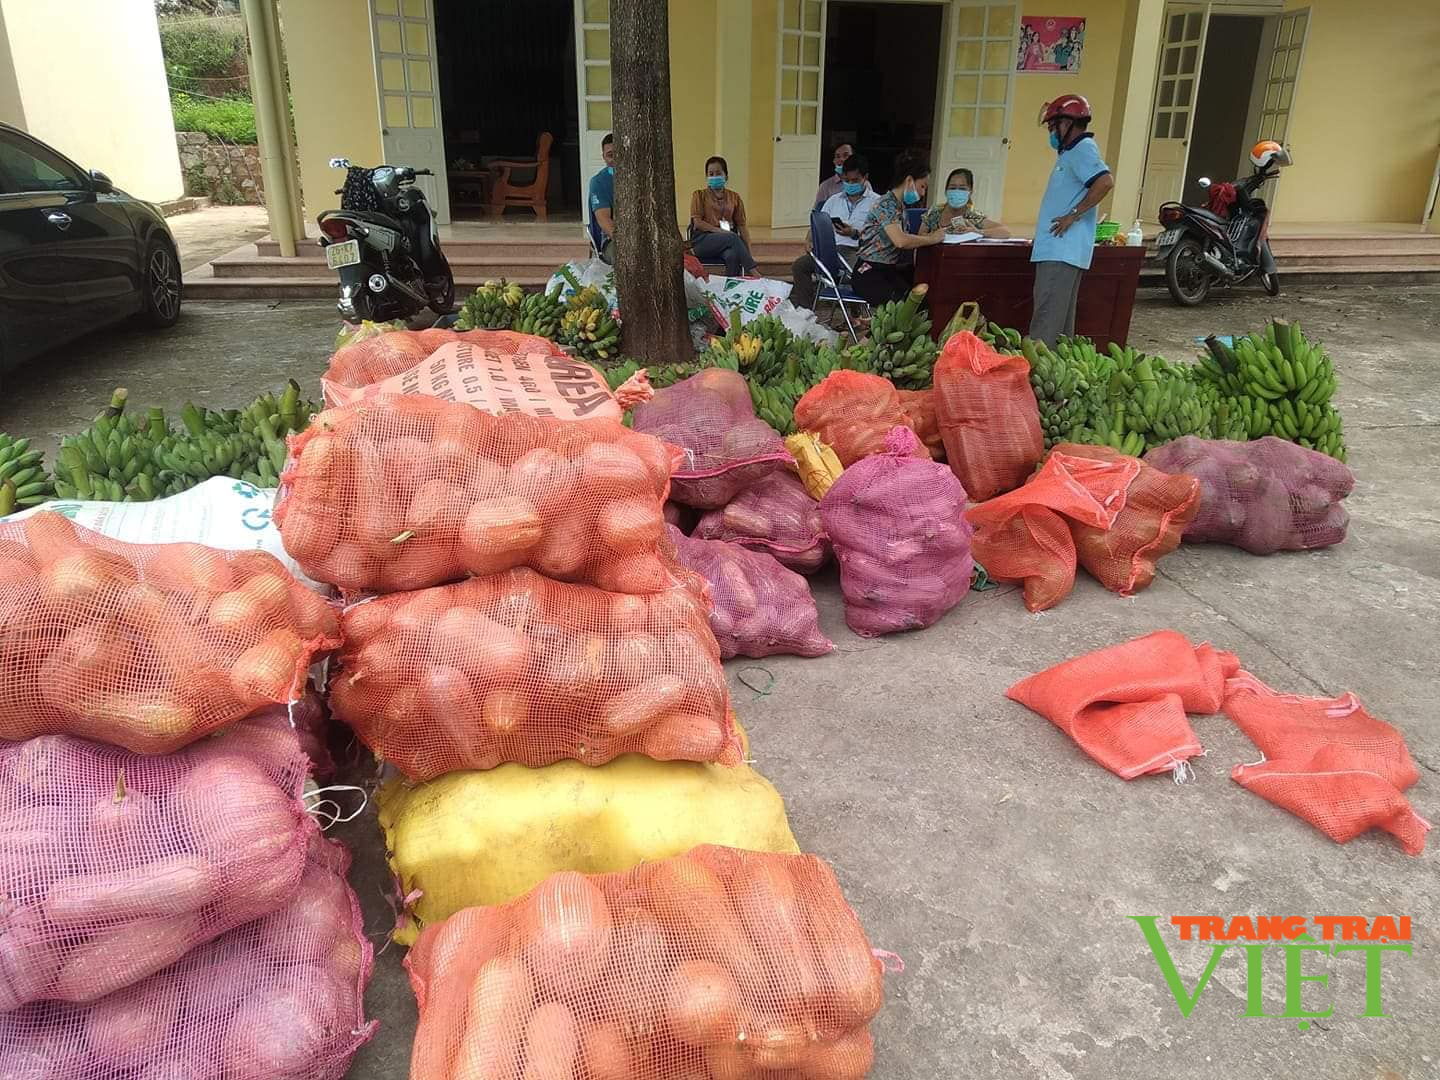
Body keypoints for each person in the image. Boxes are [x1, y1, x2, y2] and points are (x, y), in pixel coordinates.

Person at [1029, 95, 1115, 346]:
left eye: (1052, 126)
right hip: (1057, 249)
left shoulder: (1082, 149)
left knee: (1046, 323)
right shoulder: (1070, 153)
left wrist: (1073, 214)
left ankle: (1038, 378)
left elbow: (1105, 181)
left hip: (1061, 250)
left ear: (1067, 123)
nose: (1051, 132)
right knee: (1058, 326)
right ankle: (1055, 376)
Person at [851, 148, 944, 307]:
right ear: (909, 181)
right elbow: (900, 241)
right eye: (922, 186)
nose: (923, 193)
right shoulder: (885, 205)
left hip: (887, 271)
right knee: (907, 307)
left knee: (922, 302)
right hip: (869, 273)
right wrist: (932, 238)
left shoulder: (899, 207)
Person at [790, 154, 879, 309]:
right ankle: (805, 310)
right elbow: (818, 224)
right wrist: (809, 240)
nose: (850, 184)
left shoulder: (877, 203)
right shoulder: (833, 200)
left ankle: (856, 313)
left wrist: (854, 233)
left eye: (855, 180)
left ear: (865, 178)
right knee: (800, 265)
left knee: (859, 275)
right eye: (847, 180)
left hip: (859, 251)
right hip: (831, 252)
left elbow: (878, 235)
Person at [689, 156, 758, 276]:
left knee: (733, 255)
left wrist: (748, 252)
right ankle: (753, 271)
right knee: (732, 237)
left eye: (718, 173)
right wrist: (720, 231)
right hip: (703, 241)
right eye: (711, 174)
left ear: (726, 176)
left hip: (726, 242)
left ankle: (730, 287)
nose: (714, 176)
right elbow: (697, 222)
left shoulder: (734, 197)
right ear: (706, 177)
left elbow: (742, 226)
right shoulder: (699, 195)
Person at [919, 168, 1010, 238]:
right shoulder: (935, 212)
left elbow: (1005, 231)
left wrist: (978, 232)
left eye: (962, 188)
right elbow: (920, 235)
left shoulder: (973, 216)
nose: (957, 192)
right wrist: (934, 236)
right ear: (946, 191)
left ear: (970, 192)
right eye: (952, 188)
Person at [587, 133, 616, 264]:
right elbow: (604, 220)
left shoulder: (641, 178)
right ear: (603, 157)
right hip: (613, 241)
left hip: (645, 237)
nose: (615, 159)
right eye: (610, 155)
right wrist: (629, 244)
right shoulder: (599, 182)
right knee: (627, 258)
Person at [813, 141, 854, 209]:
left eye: (846, 155)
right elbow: (817, 214)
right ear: (834, 161)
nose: (842, 159)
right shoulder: (825, 186)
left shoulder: (864, 184)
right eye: (838, 156)